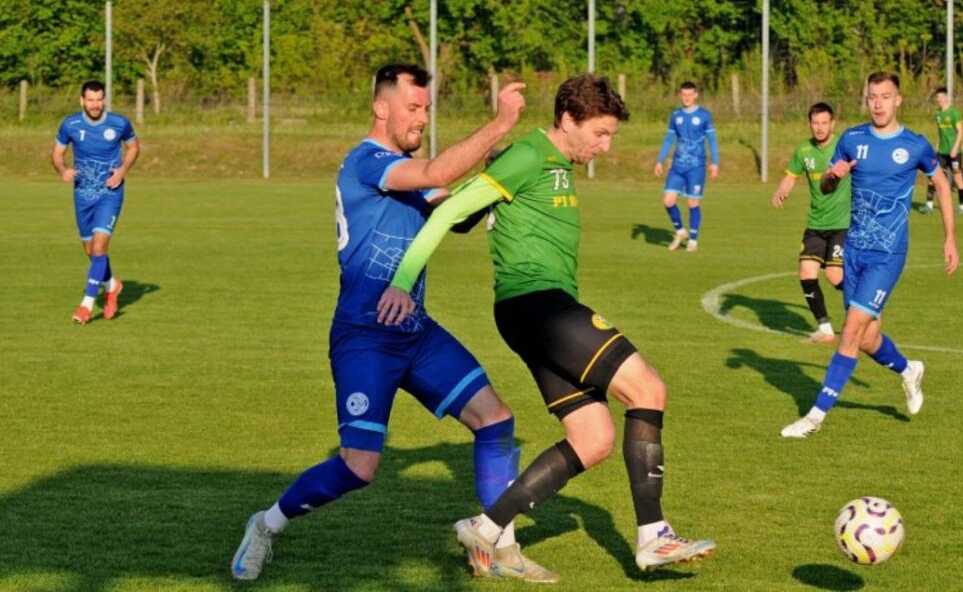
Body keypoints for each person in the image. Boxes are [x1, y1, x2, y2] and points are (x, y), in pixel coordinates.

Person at [231, 64, 559, 583]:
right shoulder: (367, 163)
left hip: (416, 332)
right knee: (359, 466)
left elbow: (455, 209)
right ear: (381, 108)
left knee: (494, 419)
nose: (422, 118)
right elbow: (433, 175)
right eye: (413, 107)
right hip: (365, 337)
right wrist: (499, 125)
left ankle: (497, 546)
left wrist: (505, 172)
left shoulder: (405, 174)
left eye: (427, 109)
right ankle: (267, 525)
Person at [377, 74, 716, 575]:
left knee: (593, 437)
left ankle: (487, 529)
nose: (604, 145)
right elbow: (451, 215)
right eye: (599, 133)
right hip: (540, 307)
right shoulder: (531, 155)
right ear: (566, 120)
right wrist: (402, 281)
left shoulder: (552, 161)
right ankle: (653, 537)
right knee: (648, 388)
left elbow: (472, 205)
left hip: (535, 313)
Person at [781, 72, 959, 439]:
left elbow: (941, 184)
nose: (878, 103)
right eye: (872, 97)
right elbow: (828, 184)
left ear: (898, 101)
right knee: (866, 337)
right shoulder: (852, 139)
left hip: (887, 254)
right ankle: (908, 370)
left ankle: (814, 417)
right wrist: (834, 174)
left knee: (849, 332)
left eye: (885, 96)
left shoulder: (914, 145)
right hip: (854, 251)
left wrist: (950, 238)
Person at [52, 80, 139, 324]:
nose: (95, 104)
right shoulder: (70, 124)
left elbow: (133, 148)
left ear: (104, 100)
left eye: (99, 99)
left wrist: (122, 171)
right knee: (91, 252)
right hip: (82, 195)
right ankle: (112, 285)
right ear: (82, 100)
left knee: (100, 249)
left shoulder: (119, 123)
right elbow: (57, 154)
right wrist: (62, 170)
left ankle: (86, 305)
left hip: (110, 193)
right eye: (90, 100)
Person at [771, 102, 851, 344]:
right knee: (806, 273)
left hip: (842, 223)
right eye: (815, 123)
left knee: (835, 277)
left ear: (832, 123)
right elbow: (790, 177)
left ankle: (866, 309)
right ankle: (825, 329)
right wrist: (781, 190)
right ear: (810, 124)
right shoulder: (804, 150)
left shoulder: (843, 147)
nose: (819, 128)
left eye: (824, 123)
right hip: (816, 223)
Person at [654, 81, 719, 252]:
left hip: (696, 167)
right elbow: (669, 139)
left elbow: (712, 140)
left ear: (696, 95)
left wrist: (715, 163)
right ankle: (681, 231)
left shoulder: (704, 116)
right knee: (667, 201)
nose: (687, 98)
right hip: (677, 166)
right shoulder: (676, 115)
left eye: (690, 94)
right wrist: (660, 160)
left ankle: (693, 241)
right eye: (684, 94)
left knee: (692, 203)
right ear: (680, 95)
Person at [927, 87, 963, 214]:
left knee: (958, 179)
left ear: (946, 97)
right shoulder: (938, 114)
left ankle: (962, 206)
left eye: (941, 97)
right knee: (933, 177)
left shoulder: (954, 113)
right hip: (942, 152)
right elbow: (940, 132)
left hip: (954, 153)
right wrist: (936, 147)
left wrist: (955, 148)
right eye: (937, 97)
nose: (939, 100)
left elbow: (961, 132)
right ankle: (929, 205)